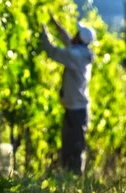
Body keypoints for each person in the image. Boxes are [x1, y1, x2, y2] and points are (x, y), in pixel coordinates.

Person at [40, 14, 95, 175]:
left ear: (80, 39)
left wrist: (43, 28)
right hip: (75, 108)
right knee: (69, 146)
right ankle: (68, 181)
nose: (74, 35)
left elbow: (51, 50)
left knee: (75, 149)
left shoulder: (75, 56)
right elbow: (67, 39)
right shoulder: (81, 52)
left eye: (77, 34)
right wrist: (52, 20)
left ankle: (75, 185)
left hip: (77, 111)